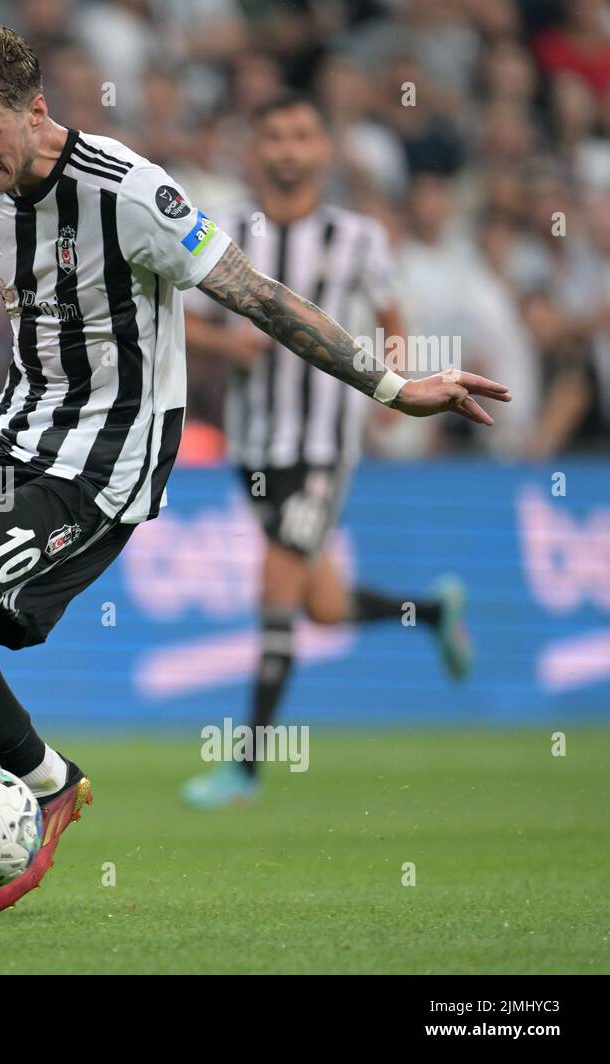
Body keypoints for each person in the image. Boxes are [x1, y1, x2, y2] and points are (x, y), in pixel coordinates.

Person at [0, 18, 510, 920]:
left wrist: (396, 388)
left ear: (35, 111)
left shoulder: (129, 193)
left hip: (101, 460)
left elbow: (261, 297)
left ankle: (49, 783)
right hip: (8, 436)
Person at [181, 93, 472, 809]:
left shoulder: (360, 236)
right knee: (321, 606)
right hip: (252, 449)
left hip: (322, 446)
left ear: (322, 150)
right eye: (273, 135)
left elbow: (391, 318)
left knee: (278, 580)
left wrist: (393, 394)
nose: (287, 148)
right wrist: (228, 343)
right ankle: (432, 612)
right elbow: (179, 324)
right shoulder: (227, 234)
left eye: (301, 135)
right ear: (256, 148)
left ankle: (244, 764)